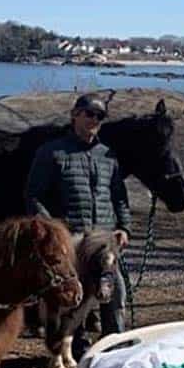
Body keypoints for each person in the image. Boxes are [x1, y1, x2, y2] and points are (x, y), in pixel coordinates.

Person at [26, 93, 131, 339]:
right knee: (74, 298)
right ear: (75, 115)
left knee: (115, 296)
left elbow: (120, 198)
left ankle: (113, 346)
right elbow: (34, 196)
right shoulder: (52, 152)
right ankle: (75, 347)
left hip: (104, 241)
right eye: (89, 113)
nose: (94, 119)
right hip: (71, 240)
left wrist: (125, 228)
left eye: (100, 116)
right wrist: (51, 230)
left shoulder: (108, 156)